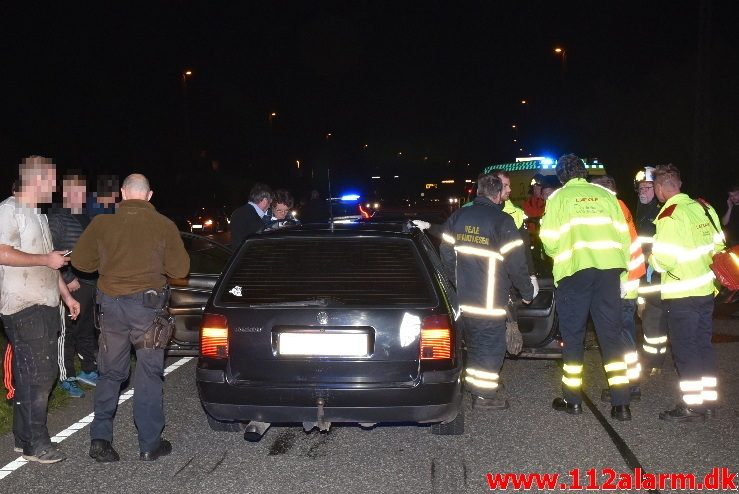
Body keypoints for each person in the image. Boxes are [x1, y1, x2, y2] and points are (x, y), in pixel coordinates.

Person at [71, 173, 190, 462]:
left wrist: (108, 258)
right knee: (148, 373)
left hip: (110, 308)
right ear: (149, 196)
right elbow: (180, 269)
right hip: (147, 312)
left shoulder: (102, 223)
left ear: (123, 193)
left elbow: (80, 261)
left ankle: (100, 440)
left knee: (110, 372)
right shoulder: (163, 225)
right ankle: (149, 444)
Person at [540, 154, 633, 421]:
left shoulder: (558, 198)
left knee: (573, 337)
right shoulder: (606, 196)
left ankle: (573, 400)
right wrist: (622, 271)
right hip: (608, 272)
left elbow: (549, 242)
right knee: (611, 337)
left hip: (575, 273)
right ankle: (622, 404)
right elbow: (623, 236)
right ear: (584, 173)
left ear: (561, 176)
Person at [0, 155, 80, 463]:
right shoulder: (9, 210)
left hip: (45, 302)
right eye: (51, 180)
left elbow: (51, 262)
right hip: (23, 304)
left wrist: (67, 297)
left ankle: (23, 439)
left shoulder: (39, 215)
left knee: (29, 374)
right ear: (35, 179)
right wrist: (46, 260)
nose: (55, 186)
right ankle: (37, 443)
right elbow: (3, 253)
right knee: (40, 375)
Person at [440, 173, 534, 409]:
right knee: (491, 348)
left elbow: (446, 255)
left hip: (464, 300)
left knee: (474, 346)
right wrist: (527, 291)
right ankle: (484, 396)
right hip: (490, 301)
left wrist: (456, 281)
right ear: (498, 193)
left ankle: (476, 387)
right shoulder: (502, 222)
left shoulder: (457, 217)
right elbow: (517, 263)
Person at [650, 164, 725, 422]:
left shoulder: (669, 215)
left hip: (682, 294)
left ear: (661, 188)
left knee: (685, 351)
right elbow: (720, 246)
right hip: (706, 290)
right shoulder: (705, 208)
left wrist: (653, 259)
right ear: (679, 184)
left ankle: (693, 406)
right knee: (703, 346)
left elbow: (665, 260)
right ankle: (709, 401)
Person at [590, 175, 646, 402]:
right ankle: (630, 383)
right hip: (629, 280)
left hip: (623, 282)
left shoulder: (612, 207)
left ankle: (628, 386)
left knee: (621, 337)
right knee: (626, 335)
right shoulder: (620, 206)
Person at [48, 172, 99, 398]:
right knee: (66, 333)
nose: (78, 193)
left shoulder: (86, 217)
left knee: (86, 329)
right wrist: (67, 278)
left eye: (81, 189)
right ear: (65, 191)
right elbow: (51, 252)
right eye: (73, 189)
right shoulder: (57, 216)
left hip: (90, 282)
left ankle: (88, 370)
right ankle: (66, 377)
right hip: (70, 284)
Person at [632, 167, 669, 373]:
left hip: (655, 276)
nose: (643, 192)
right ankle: (654, 359)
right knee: (649, 320)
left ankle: (653, 360)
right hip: (643, 275)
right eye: (640, 188)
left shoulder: (660, 212)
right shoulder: (641, 211)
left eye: (647, 187)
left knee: (652, 320)